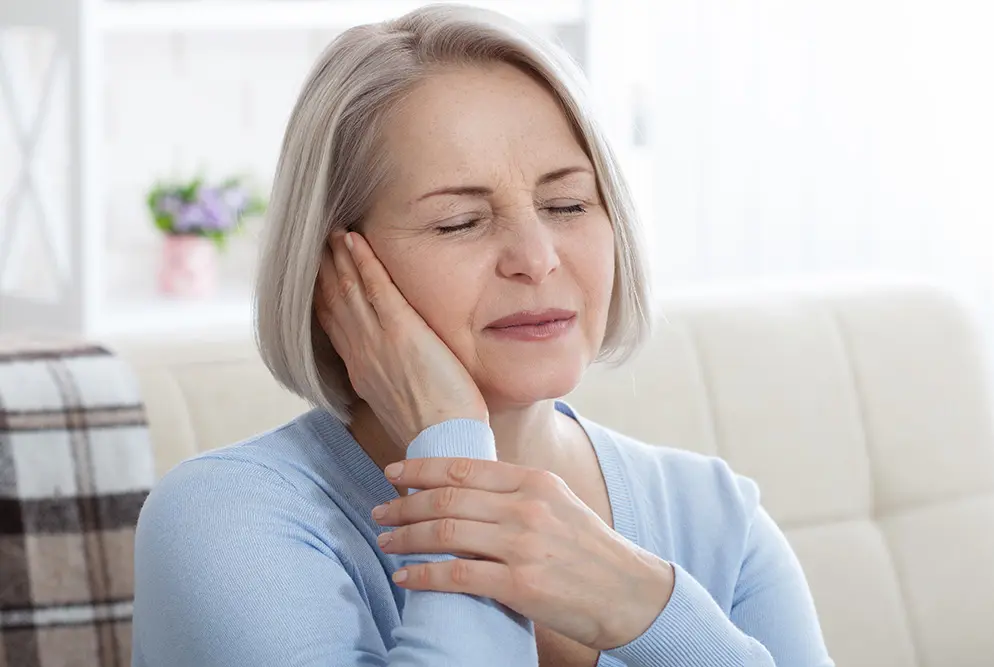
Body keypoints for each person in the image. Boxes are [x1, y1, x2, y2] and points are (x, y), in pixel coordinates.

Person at [131, 4, 834, 666]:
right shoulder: (223, 521)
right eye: (459, 222)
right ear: (332, 277)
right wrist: (454, 446)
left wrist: (647, 605)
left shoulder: (717, 517)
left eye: (566, 203)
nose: (537, 256)